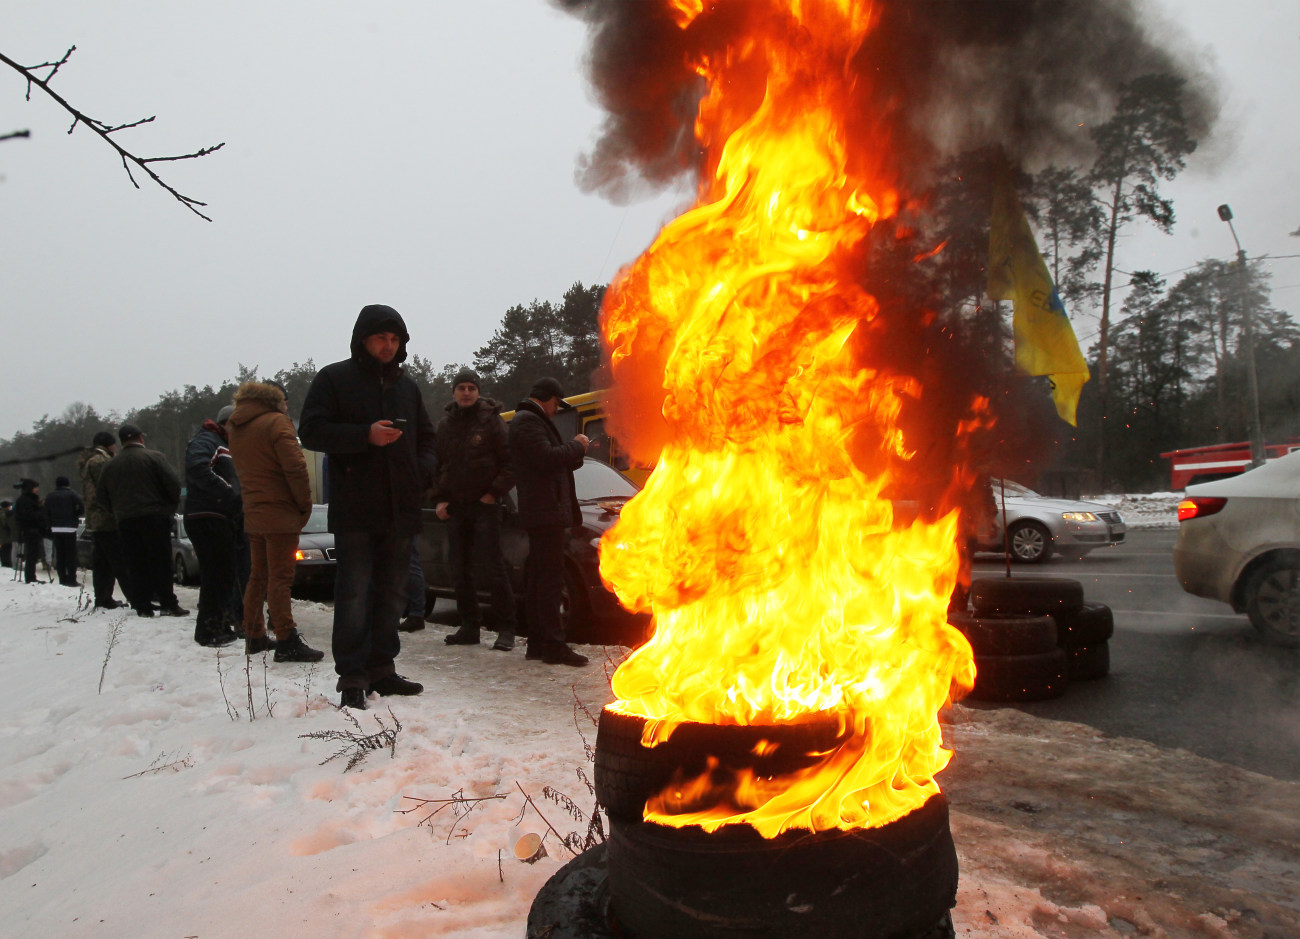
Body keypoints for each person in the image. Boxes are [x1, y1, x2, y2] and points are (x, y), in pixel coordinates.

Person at [299, 304, 437, 710]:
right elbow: (310, 430)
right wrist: (365, 435)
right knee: (355, 592)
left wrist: (421, 471)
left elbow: (428, 438)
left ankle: (382, 668)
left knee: (392, 593)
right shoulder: (335, 379)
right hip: (356, 509)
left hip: (400, 510)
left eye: (395, 340)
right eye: (381, 338)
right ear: (363, 339)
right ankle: (353, 677)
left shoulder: (406, 388)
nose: (388, 346)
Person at [226, 382, 324, 663]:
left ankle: (254, 634)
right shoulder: (276, 423)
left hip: (254, 511)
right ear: (277, 399)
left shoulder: (236, 425)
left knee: (258, 576)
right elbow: (295, 466)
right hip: (280, 511)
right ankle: (286, 638)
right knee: (280, 578)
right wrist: (304, 504)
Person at [434, 369, 518, 650]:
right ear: (454, 392)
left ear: (478, 392)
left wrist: (493, 494)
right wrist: (439, 500)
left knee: (494, 569)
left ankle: (506, 629)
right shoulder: (445, 426)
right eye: (462, 388)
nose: (467, 392)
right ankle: (469, 627)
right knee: (460, 570)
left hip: (486, 507)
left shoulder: (492, 422)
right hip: (457, 509)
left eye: (471, 387)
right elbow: (437, 467)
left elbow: (511, 463)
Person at [508, 377, 589, 667]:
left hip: (543, 512)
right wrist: (576, 446)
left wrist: (576, 453)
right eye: (556, 403)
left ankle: (538, 643)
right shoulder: (529, 421)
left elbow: (551, 462)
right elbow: (545, 457)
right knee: (549, 581)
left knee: (540, 581)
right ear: (547, 398)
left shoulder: (530, 420)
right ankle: (553, 645)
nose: (557, 409)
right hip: (545, 513)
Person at [96, 423, 189, 618]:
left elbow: (101, 497)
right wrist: (169, 510)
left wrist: (117, 512)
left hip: (126, 521)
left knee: (135, 563)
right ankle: (168, 603)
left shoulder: (110, 465)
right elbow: (173, 486)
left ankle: (142, 605)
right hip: (155, 517)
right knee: (161, 561)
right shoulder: (155, 458)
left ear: (121, 442)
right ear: (140, 438)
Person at [182, 406, 242, 647]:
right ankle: (208, 631)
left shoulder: (223, 443)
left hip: (218, 515)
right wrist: (230, 494)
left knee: (223, 573)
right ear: (229, 423)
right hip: (207, 515)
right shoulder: (208, 440)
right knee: (216, 574)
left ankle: (220, 625)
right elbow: (197, 467)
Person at [78, 431, 129, 609]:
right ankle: (137, 598)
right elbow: (109, 487)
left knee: (102, 562)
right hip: (106, 517)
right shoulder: (101, 461)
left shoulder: (89, 461)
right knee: (119, 560)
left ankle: (103, 598)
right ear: (108, 445)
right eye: (113, 444)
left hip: (95, 518)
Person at [43, 476, 84, 587]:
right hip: (70, 527)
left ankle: (62, 578)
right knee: (71, 554)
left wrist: (49, 524)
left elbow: (45, 512)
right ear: (67, 484)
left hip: (56, 528)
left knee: (60, 554)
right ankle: (71, 578)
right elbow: (81, 503)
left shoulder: (50, 496)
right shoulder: (72, 494)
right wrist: (77, 513)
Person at [13, 478, 47, 584]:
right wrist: (40, 510)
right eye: (35, 488)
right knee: (32, 554)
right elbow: (28, 516)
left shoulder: (26, 499)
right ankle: (30, 577)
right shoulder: (26, 500)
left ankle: (31, 576)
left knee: (33, 554)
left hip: (30, 530)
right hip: (31, 530)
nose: (37, 490)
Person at [0, 499, 15, 568]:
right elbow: (5, 524)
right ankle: (6, 563)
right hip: (5, 534)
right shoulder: (4, 514)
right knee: (6, 549)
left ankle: (5, 562)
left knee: (5, 549)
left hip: (3, 535)